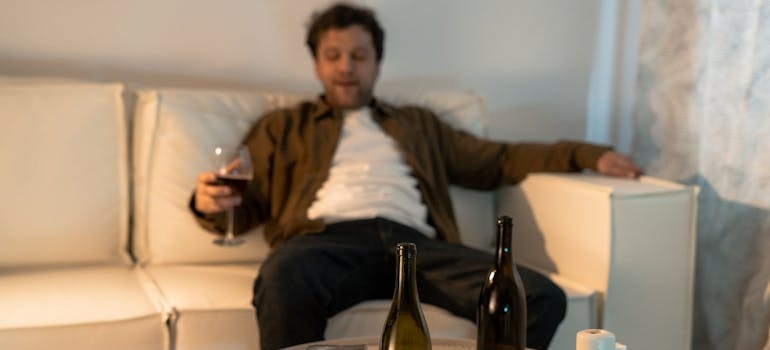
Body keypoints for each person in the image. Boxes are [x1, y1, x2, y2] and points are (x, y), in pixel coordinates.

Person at [190, 3, 642, 350]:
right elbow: (243, 205)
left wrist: (587, 154)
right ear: (317, 65)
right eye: (333, 56)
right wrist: (209, 204)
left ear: (377, 63)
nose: (346, 66)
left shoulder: (417, 124)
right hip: (325, 243)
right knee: (282, 275)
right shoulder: (283, 126)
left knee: (540, 296)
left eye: (358, 55)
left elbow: (499, 159)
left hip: (418, 247)